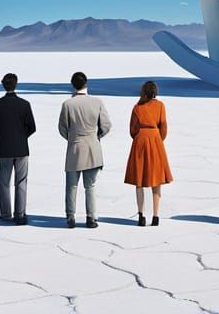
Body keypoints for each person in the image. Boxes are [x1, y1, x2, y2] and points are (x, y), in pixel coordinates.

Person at [59, 71, 112, 229]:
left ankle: (70, 218)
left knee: (71, 186)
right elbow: (107, 125)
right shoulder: (97, 102)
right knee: (90, 186)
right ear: (86, 83)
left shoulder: (68, 104)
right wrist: (96, 137)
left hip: (74, 148)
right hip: (92, 149)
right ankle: (91, 218)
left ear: (73, 85)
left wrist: (72, 138)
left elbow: (62, 128)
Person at [0, 73, 37, 225]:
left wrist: (1, 139)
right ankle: (20, 215)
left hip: (4, 150)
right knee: (21, 181)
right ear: (16, 84)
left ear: (3, 85)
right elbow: (32, 127)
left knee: (4, 183)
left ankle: (6, 214)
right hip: (21, 149)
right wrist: (21, 137)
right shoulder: (24, 104)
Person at [124, 80, 173, 227]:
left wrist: (140, 138)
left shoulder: (137, 107)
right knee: (156, 179)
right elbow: (163, 126)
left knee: (139, 179)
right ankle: (156, 216)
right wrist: (158, 139)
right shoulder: (160, 106)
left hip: (140, 141)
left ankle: (141, 215)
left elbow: (132, 130)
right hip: (155, 140)